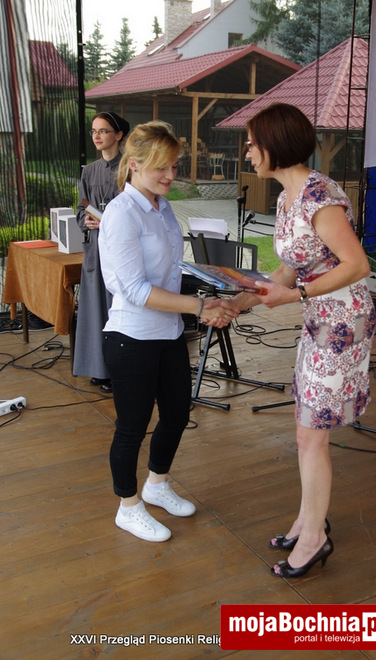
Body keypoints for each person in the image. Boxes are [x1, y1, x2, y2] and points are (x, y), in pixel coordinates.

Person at [228, 103, 376, 578]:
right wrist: (242, 300)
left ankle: (314, 538)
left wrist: (294, 296)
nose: (247, 151)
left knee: (312, 434)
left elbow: (357, 265)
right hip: (318, 320)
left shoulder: (319, 196)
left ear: (274, 144)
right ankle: (307, 520)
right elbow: (289, 269)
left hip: (342, 324)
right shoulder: (287, 198)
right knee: (305, 430)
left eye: (252, 142)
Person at [98, 120, 239, 542]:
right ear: (134, 164)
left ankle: (156, 485)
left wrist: (214, 284)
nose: (171, 175)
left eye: (175, 166)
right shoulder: (121, 214)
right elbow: (136, 289)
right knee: (132, 426)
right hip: (131, 337)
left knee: (177, 413)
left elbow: (170, 269)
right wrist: (200, 306)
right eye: (162, 167)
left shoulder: (161, 208)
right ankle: (128, 507)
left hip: (170, 332)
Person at [73, 111, 130, 393]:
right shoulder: (89, 171)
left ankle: (119, 372)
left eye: (103, 131)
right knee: (95, 309)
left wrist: (108, 220)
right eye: (94, 131)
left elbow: (132, 210)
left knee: (116, 307)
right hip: (95, 250)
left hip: (120, 249)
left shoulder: (130, 168)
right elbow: (80, 209)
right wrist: (85, 219)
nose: (97, 136)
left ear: (118, 135)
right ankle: (99, 369)